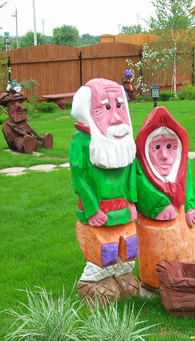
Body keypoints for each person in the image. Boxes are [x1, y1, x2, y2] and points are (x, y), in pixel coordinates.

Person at [69, 78, 140, 302]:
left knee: (129, 246)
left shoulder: (125, 142)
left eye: (119, 106)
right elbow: (79, 179)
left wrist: (132, 201)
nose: (116, 115)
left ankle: (122, 275)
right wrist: (92, 209)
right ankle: (92, 282)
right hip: (98, 210)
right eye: (106, 107)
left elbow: (131, 172)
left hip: (123, 209)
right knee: (104, 249)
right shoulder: (82, 143)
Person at [134, 106, 195, 292]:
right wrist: (159, 204)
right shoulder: (138, 166)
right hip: (155, 227)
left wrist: (190, 206)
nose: (164, 155)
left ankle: (189, 271)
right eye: (157, 147)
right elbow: (140, 187)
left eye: (170, 146)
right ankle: (155, 281)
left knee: (189, 242)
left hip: (182, 217)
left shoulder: (184, 163)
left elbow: (188, 184)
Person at [0, 81, 53, 154]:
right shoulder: (7, 125)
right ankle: (26, 147)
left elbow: (31, 130)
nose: (18, 106)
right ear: (9, 108)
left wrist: (39, 137)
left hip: (28, 138)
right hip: (18, 141)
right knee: (20, 141)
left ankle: (43, 143)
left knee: (33, 140)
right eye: (13, 104)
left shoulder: (23, 122)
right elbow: (11, 141)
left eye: (19, 102)